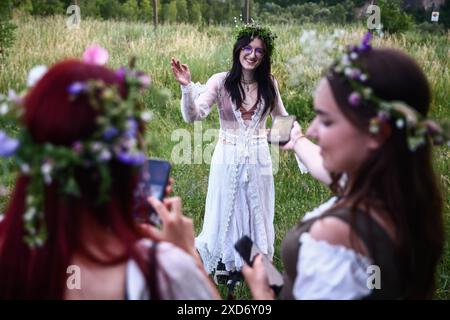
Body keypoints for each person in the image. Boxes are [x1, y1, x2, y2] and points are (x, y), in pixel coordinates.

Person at [0, 46, 218, 300]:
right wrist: (188, 257)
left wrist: (121, 218)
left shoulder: (11, 249)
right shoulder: (164, 271)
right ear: (126, 161)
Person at [242, 33, 448, 299]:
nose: (314, 129)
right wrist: (298, 141)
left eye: (327, 121)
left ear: (377, 134)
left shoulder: (337, 236)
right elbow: (328, 171)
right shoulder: (399, 194)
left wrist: (261, 294)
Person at [170, 23, 307, 290]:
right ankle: (226, 262)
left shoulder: (269, 84)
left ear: (265, 56)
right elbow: (194, 115)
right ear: (238, 50)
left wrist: (274, 138)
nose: (252, 55)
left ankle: (255, 262)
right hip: (227, 156)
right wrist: (187, 88)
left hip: (258, 158)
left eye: (259, 50)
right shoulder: (220, 81)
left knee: (257, 206)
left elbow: (281, 117)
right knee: (227, 207)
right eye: (247, 48)